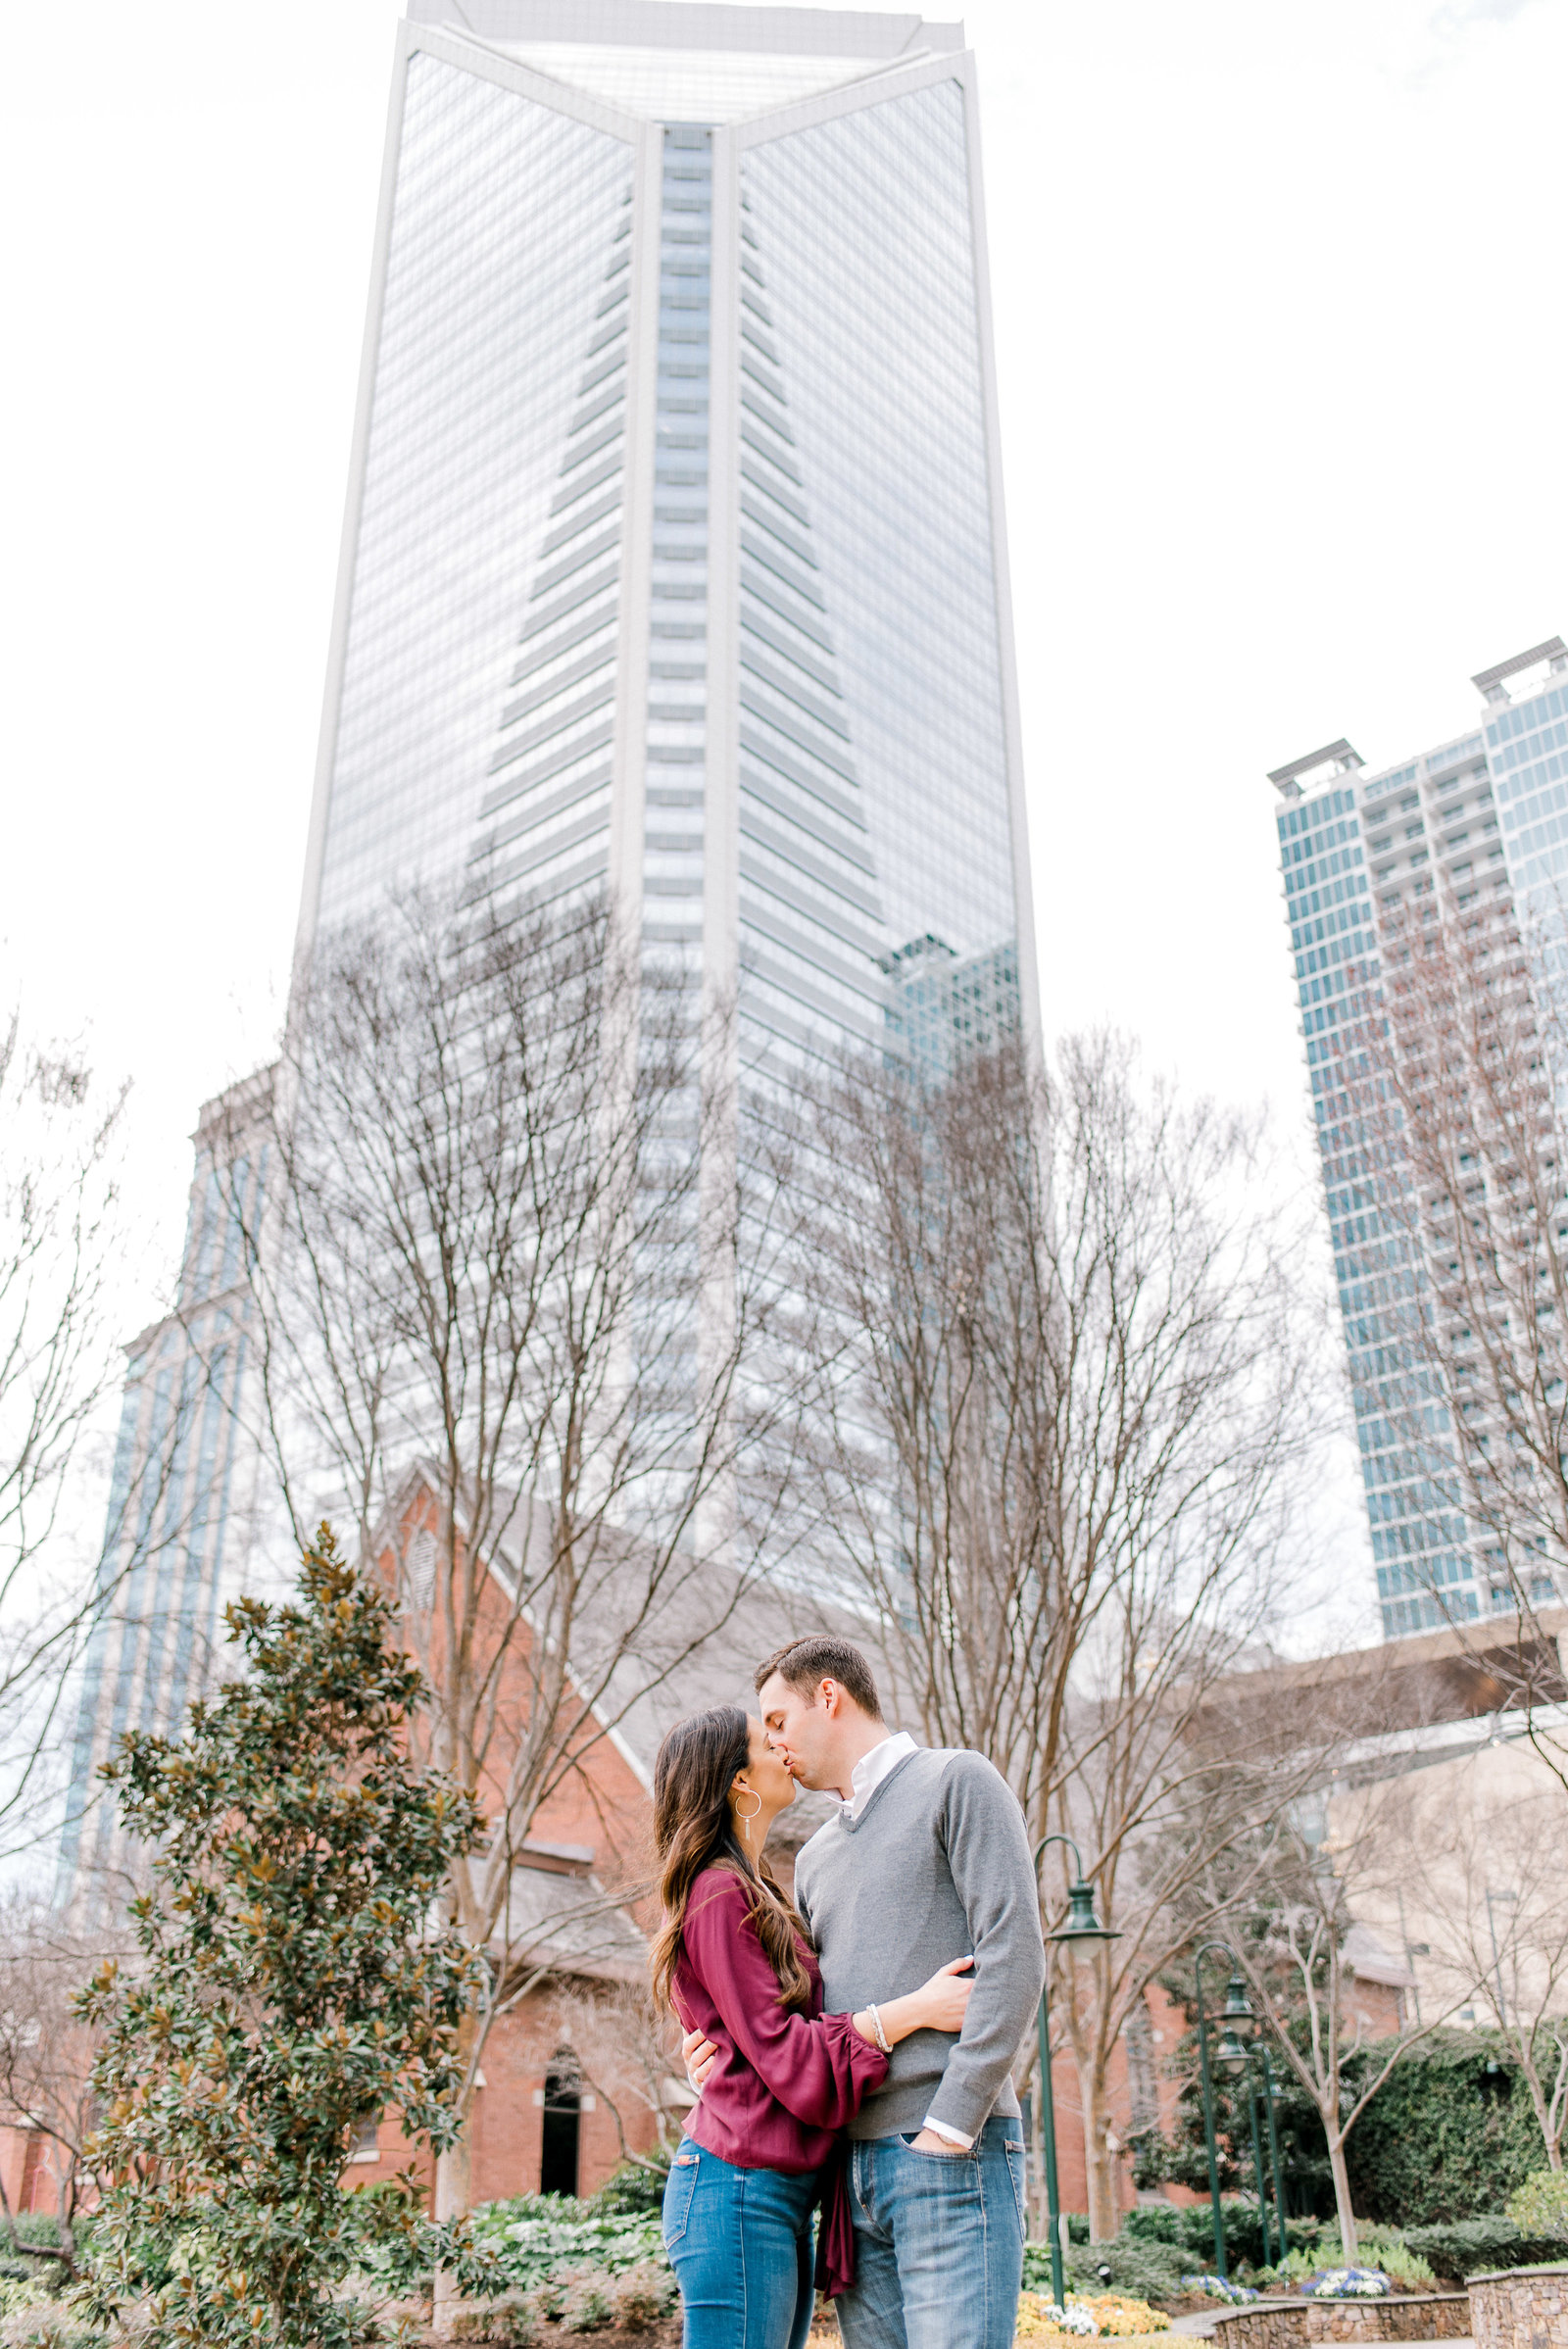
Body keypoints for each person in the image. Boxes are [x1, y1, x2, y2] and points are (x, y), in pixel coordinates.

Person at [683, 1639, 1045, 2349]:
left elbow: (1015, 1955)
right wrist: (716, 2049)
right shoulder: (813, 1859)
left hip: (950, 2149)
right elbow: (796, 2021)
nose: (775, 1743)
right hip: (849, 2178)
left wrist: (950, 2126)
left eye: (778, 1720)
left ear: (828, 1696)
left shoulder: (957, 1781)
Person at [651, 1702, 976, 2349]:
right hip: (737, 2189)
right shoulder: (719, 1891)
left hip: (774, 2194)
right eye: (764, 1740)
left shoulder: (757, 1888)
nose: (781, 1745)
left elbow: (756, 2033)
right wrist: (915, 2010)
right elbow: (789, 2053)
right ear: (739, 1781)